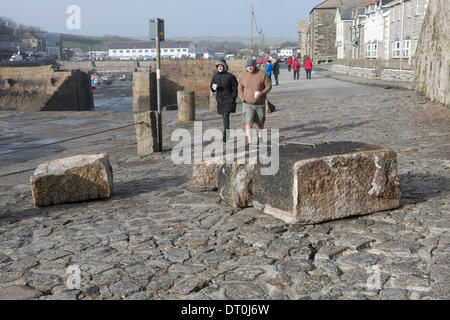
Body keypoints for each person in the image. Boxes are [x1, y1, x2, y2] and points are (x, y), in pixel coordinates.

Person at [238, 59, 272, 144]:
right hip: (247, 104)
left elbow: (269, 86)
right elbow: (239, 88)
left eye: (251, 66)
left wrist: (262, 92)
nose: (250, 68)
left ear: (254, 65)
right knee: (248, 123)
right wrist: (242, 98)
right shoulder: (243, 75)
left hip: (260, 104)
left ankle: (260, 138)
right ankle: (250, 142)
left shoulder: (262, 74)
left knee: (260, 123)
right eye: (248, 66)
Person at [210, 60, 238, 142]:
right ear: (217, 68)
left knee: (225, 116)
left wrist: (233, 97)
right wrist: (214, 87)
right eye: (218, 66)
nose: (220, 67)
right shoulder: (215, 77)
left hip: (229, 99)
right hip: (220, 100)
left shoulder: (230, 76)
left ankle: (225, 135)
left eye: (221, 66)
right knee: (224, 117)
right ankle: (227, 132)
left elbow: (236, 87)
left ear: (224, 67)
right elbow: (212, 89)